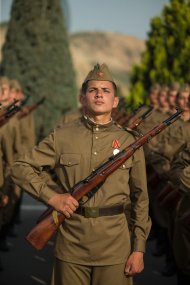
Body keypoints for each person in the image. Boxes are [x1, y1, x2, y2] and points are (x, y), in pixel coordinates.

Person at [11, 63, 151, 285]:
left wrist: (139, 249)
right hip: (71, 245)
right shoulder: (63, 136)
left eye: (106, 90)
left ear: (115, 101)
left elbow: (141, 198)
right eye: (93, 90)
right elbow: (19, 168)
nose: (99, 94)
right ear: (83, 98)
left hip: (115, 246)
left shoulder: (129, 141)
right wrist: (52, 198)